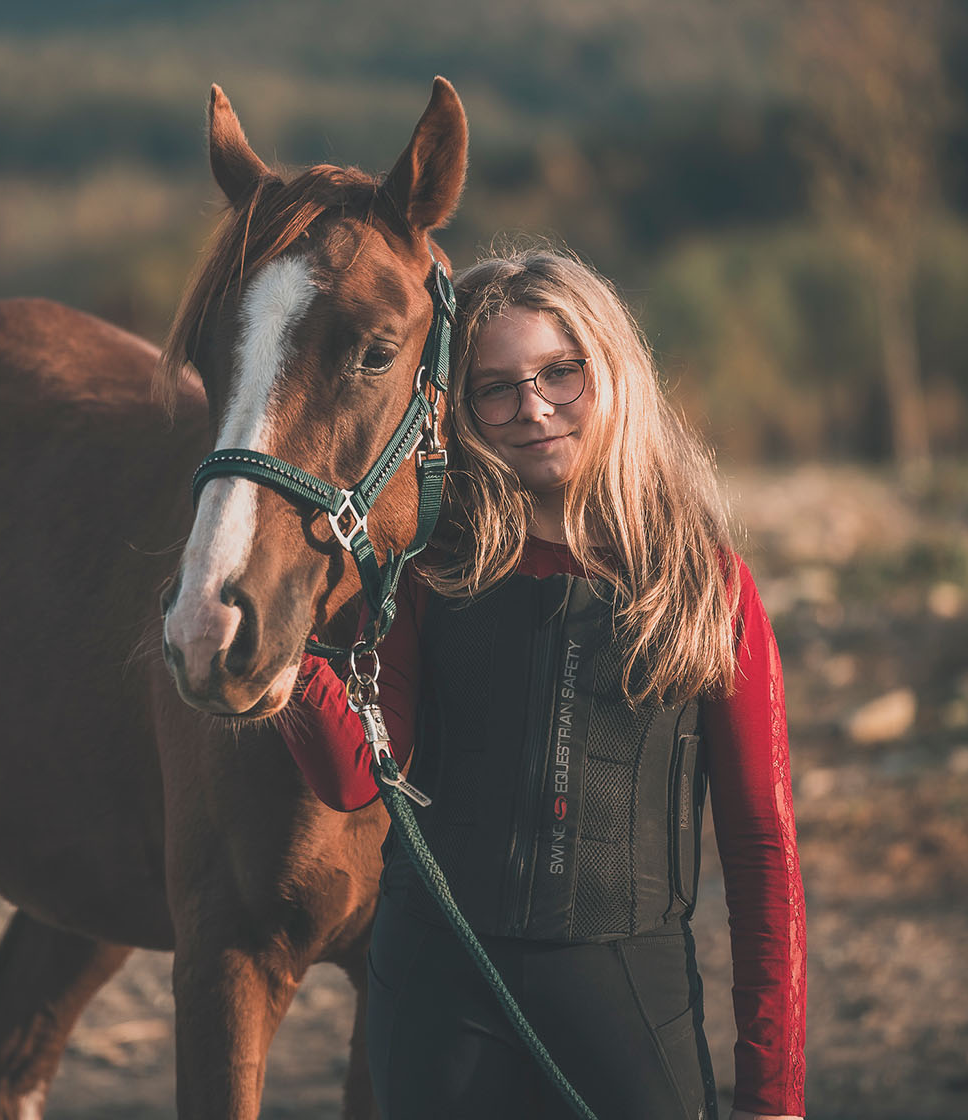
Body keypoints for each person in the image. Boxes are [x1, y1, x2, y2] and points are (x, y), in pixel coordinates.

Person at [279, 248, 806, 1120]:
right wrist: (284, 659)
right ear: (463, 410)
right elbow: (353, 777)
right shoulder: (427, 572)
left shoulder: (704, 585)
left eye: (561, 373)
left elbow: (762, 852)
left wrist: (775, 1098)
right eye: (496, 387)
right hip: (435, 991)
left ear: (612, 370)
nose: (533, 408)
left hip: (629, 995)